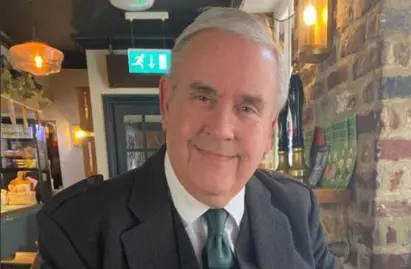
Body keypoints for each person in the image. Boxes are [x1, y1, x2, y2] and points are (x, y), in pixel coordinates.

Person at [36, 7, 337, 269]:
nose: (221, 128)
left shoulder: (297, 208)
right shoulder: (77, 229)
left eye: (246, 108)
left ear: (270, 132)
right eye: (203, 97)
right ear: (166, 103)